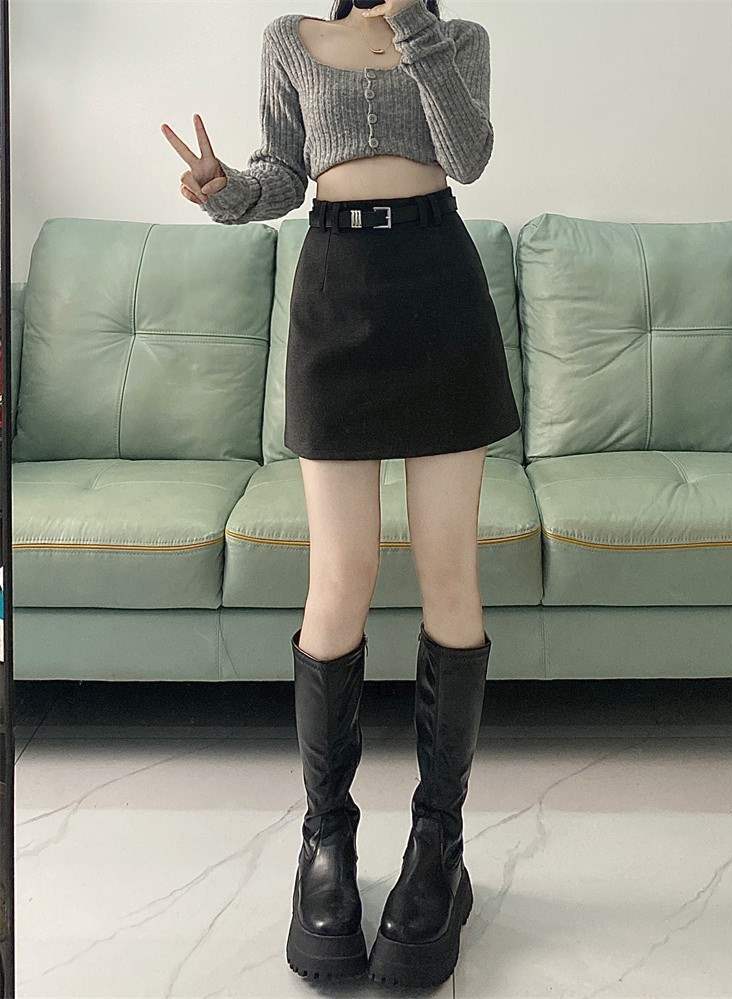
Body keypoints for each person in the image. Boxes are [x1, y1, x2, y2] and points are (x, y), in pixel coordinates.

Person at [161, 0, 520, 987]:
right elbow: (284, 173)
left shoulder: (458, 40)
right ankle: (326, 843)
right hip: (336, 293)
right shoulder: (290, 40)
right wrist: (226, 190)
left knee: (449, 572)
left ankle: (438, 846)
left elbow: (469, 155)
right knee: (341, 577)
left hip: (440, 292)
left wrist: (413, 30)